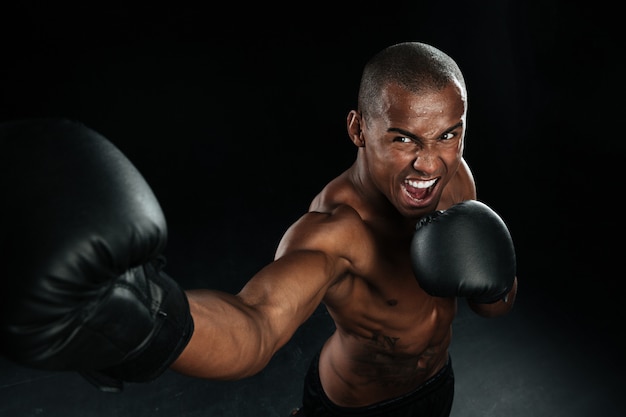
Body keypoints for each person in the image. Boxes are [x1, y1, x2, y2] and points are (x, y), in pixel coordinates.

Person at [0, 42, 518, 417]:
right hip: (356, 405)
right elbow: (256, 325)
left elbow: (493, 306)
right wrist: (144, 316)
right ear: (359, 129)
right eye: (405, 139)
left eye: (449, 135)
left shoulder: (456, 179)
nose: (429, 165)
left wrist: (498, 282)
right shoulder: (335, 232)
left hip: (436, 390)